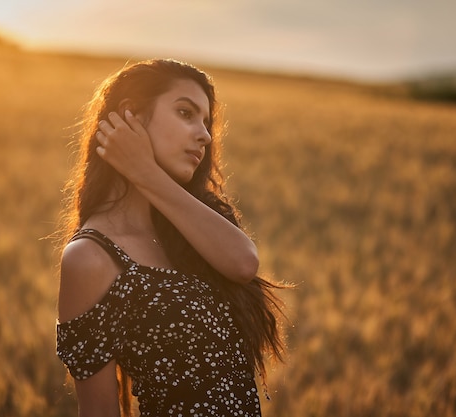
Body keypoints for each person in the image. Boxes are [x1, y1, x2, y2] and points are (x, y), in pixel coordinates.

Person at [56, 58, 286, 417]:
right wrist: (143, 171)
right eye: (185, 113)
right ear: (130, 116)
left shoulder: (189, 227)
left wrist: (144, 172)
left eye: (207, 123)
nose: (205, 135)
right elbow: (99, 411)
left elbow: (244, 263)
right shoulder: (89, 257)